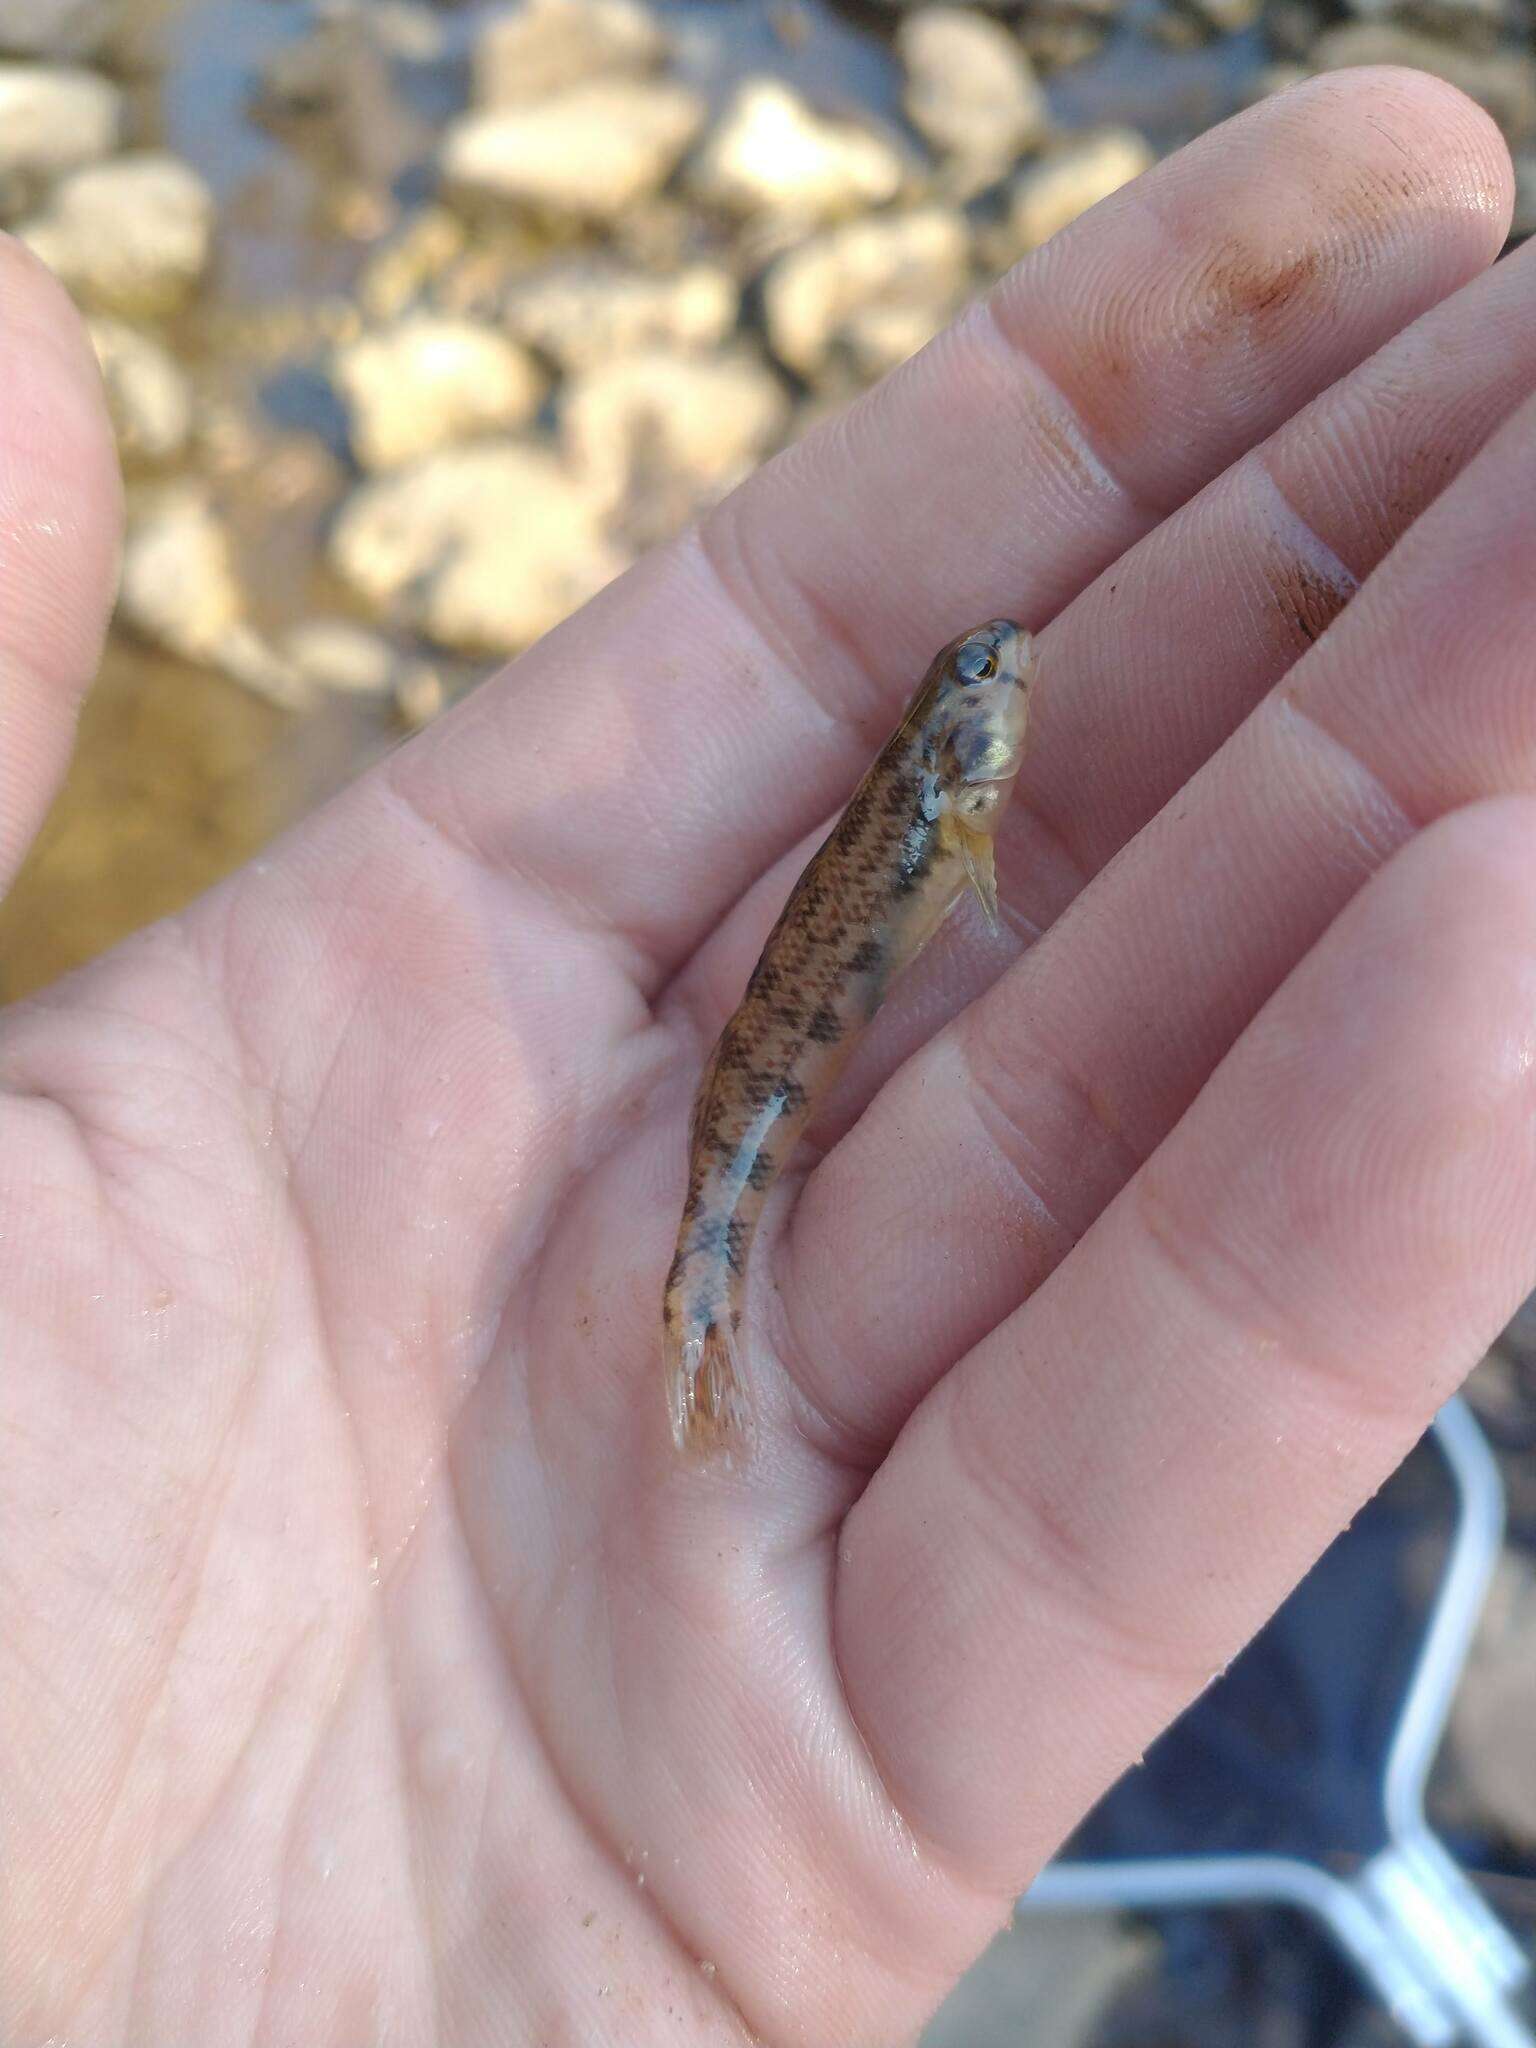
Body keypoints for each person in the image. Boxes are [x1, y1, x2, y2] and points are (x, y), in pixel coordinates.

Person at [5, 64, 1536, 2047]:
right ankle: (699, 1285)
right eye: (983, 690)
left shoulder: (944, 806)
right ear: (960, 755)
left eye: (983, 688)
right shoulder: (947, 807)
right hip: (779, 1060)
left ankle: (705, 1280)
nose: (1005, 687)